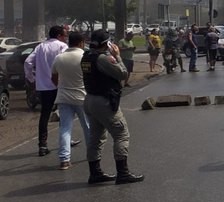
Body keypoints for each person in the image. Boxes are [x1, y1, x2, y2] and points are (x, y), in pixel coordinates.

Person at [82, 29, 144, 184]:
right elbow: (122, 74)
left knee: (96, 138)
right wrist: (117, 56)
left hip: (90, 99)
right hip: (103, 101)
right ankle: (123, 173)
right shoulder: (104, 59)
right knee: (122, 134)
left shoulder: (86, 57)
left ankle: (95, 173)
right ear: (106, 43)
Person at [24, 25, 69, 156]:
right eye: (65, 35)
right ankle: (66, 140)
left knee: (44, 115)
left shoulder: (40, 47)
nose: (66, 38)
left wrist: (32, 79)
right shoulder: (62, 47)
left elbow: (27, 63)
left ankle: (42, 145)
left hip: (44, 87)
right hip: (60, 85)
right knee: (64, 113)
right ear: (60, 36)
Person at [51, 31, 90, 170]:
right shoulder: (85, 57)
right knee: (88, 127)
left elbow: (54, 77)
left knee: (65, 128)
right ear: (81, 43)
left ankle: (64, 160)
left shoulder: (59, 58)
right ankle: (92, 155)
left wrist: (61, 87)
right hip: (82, 97)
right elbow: (89, 77)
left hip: (63, 97)